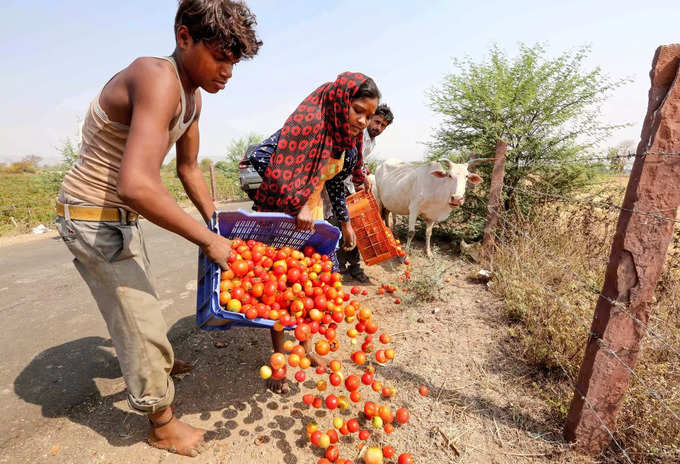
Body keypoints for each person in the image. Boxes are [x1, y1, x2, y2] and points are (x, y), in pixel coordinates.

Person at [54, 0, 261, 457]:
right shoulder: (157, 77)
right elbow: (136, 185)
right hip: (91, 214)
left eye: (233, 62)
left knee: (143, 301)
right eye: (220, 57)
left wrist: (219, 224)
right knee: (136, 314)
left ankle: (158, 365)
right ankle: (160, 422)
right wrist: (209, 240)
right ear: (184, 37)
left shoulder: (193, 94)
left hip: (118, 217)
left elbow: (187, 168)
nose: (227, 71)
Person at [248, 72, 380, 393]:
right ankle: (279, 360)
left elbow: (335, 181)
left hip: (315, 217)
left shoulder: (345, 142)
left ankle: (306, 350)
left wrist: (345, 222)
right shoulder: (309, 125)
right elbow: (259, 155)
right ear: (340, 103)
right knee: (283, 291)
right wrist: (295, 200)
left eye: (369, 115)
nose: (363, 121)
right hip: (286, 215)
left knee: (311, 288)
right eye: (358, 111)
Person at [336, 104, 394, 282]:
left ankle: (353, 265)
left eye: (383, 125)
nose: (379, 127)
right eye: (377, 122)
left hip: (351, 184)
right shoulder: (357, 134)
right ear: (369, 118)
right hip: (338, 183)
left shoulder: (371, 141)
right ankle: (340, 265)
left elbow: (358, 161)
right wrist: (361, 176)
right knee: (342, 224)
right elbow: (346, 160)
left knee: (357, 225)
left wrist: (364, 174)